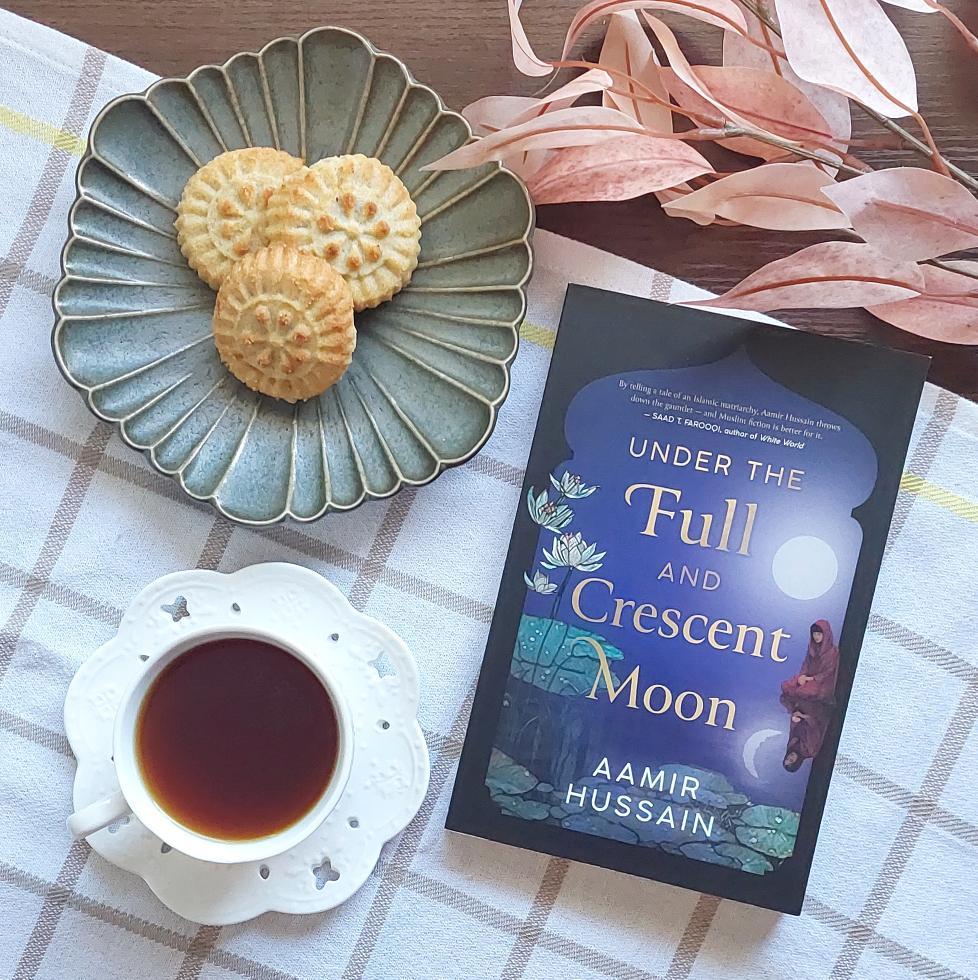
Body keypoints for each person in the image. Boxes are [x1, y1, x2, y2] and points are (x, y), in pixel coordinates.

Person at [780, 621, 840, 770]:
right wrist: (802, 676)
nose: (791, 757)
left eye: (819, 634)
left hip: (822, 681)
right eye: (791, 760)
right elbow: (815, 728)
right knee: (789, 687)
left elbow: (828, 673)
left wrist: (795, 718)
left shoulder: (832, 653)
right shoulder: (810, 751)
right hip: (812, 716)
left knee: (803, 691)